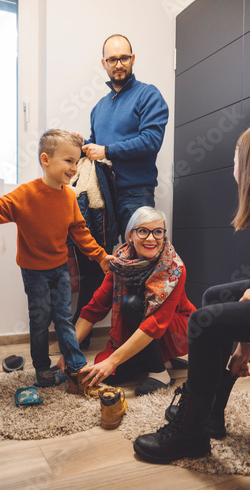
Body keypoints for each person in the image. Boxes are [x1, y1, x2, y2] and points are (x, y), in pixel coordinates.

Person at [132, 116, 250, 463]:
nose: (233, 164)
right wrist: (245, 345)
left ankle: (189, 434)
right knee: (216, 298)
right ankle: (210, 412)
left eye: (235, 155)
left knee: (206, 320)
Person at [0, 129, 115, 388]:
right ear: (46, 159)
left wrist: (100, 256)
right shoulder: (26, 194)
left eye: (76, 162)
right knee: (39, 320)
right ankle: (42, 368)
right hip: (34, 272)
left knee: (63, 317)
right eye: (68, 161)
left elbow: (80, 231)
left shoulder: (68, 197)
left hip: (60, 269)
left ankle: (76, 365)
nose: (74, 168)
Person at [73, 34, 169, 348]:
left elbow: (150, 141)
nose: (118, 64)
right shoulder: (99, 107)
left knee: (143, 269)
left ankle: (147, 351)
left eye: (123, 58)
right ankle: (80, 339)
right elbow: (97, 148)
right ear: (104, 63)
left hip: (135, 192)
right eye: (112, 59)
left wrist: (107, 149)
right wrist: (83, 145)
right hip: (104, 197)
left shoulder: (148, 95)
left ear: (132, 59)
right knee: (96, 261)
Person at [72, 206, 195, 396]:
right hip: (142, 331)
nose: (151, 238)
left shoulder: (175, 268)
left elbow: (155, 323)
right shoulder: (119, 265)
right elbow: (93, 309)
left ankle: (160, 373)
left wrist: (112, 360)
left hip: (178, 328)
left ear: (164, 235)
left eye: (158, 232)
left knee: (131, 304)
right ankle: (160, 359)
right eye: (143, 231)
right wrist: (69, 350)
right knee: (107, 374)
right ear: (130, 235)